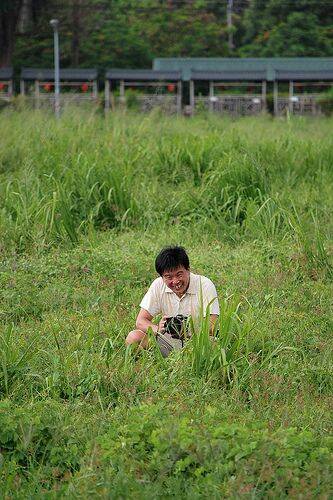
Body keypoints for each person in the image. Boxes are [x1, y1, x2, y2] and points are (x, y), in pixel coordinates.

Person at [125, 246, 219, 357]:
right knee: (133, 337)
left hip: (197, 342)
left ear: (188, 269)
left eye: (179, 274)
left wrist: (187, 330)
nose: (175, 281)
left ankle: (189, 364)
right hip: (168, 340)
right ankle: (152, 364)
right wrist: (158, 329)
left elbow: (212, 326)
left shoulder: (204, 285)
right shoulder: (158, 285)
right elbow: (140, 321)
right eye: (169, 277)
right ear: (162, 277)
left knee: (214, 345)